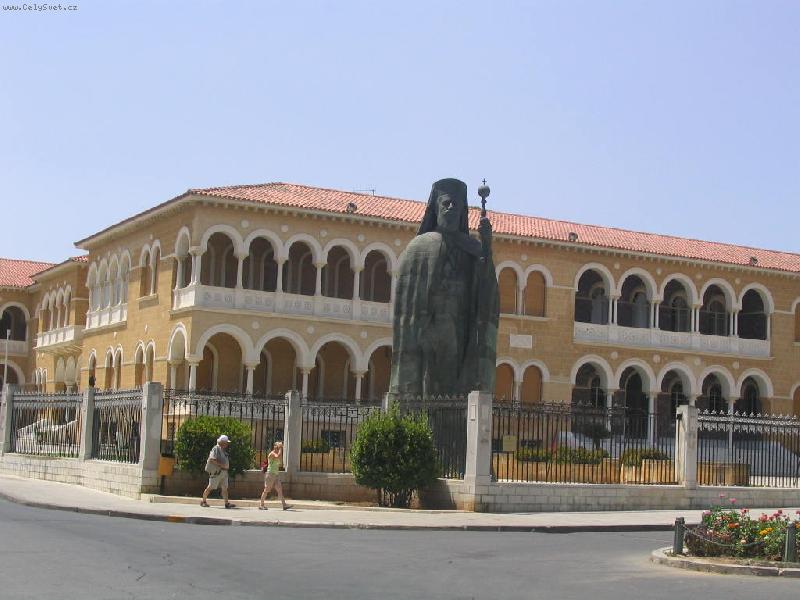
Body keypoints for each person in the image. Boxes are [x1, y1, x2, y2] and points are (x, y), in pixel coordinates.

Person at [389, 178, 499, 397]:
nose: (450, 207)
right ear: (436, 208)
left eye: (456, 204)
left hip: (460, 329)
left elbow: (486, 290)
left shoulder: (473, 248)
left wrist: (486, 246)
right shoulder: (419, 247)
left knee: (456, 384)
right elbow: (407, 301)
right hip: (428, 328)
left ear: (462, 212)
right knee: (428, 382)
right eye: (446, 203)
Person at [201, 434, 235, 508]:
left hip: (224, 473)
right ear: (222, 442)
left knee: (225, 488)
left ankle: (226, 503)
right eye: (226, 442)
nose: (227, 444)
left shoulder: (223, 450)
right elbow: (211, 459)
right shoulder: (216, 449)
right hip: (217, 473)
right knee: (210, 487)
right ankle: (203, 501)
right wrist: (222, 465)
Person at [259, 441, 289, 510]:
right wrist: (281, 448)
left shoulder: (277, 453)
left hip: (276, 475)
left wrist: (280, 450)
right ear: (274, 447)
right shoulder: (272, 454)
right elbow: (277, 456)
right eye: (277, 447)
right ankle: (261, 505)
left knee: (280, 490)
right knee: (266, 490)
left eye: (278, 447)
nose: (278, 449)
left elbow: (280, 461)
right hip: (270, 474)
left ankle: (284, 505)